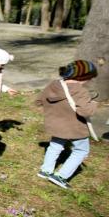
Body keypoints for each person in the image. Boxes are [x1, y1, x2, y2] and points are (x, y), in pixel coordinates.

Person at [36, 60, 98, 189]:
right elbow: (85, 111)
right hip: (75, 128)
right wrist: (94, 103)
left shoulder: (54, 84)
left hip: (55, 125)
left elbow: (39, 101)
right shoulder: (80, 91)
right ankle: (61, 176)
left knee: (55, 146)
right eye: (89, 78)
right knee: (81, 150)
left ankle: (46, 170)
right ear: (83, 77)